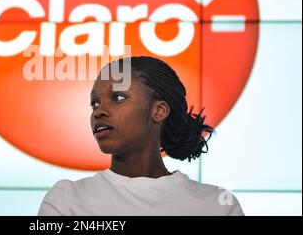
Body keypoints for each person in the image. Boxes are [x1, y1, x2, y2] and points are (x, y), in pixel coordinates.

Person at [38, 56, 244, 216]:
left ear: (159, 111)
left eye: (117, 97)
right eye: (95, 103)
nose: (98, 112)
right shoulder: (66, 200)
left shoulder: (217, 205)